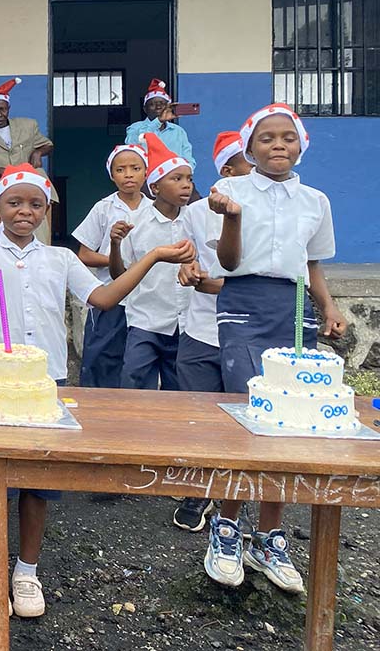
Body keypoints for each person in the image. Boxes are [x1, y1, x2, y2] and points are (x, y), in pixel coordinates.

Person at [0, 164, 194, 618]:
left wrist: (151, 257)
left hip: (45, 382)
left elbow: (104, 298)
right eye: (14, 203)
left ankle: (26, 569)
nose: (25, 211)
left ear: (48, 212)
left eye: (35, 204)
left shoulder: (60, 259)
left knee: (38, 486)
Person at [201, 103, 346, 595]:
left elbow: (313, 263)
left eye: (287, 137)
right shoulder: (229, 192)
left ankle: (269, 536)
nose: (278, 145)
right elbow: (226, 260)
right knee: (250, 413)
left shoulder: (316, 201)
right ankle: (226, 528)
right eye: (266, 138)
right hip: (244, 301)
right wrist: (233, 217)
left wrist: (328, 307)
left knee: (288, 414)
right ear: (249, 147)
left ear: (301, 144)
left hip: (296, 306)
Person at [170, 131, 252, 533]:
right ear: (228, 171)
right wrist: (188, 271)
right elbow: (187, 260)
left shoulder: (272, 211)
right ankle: (199, 489)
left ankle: (237, 492)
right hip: (202, 328)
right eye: (248, 163)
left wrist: (223, 285)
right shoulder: (196, 212)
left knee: (244, 415)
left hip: (252, 333)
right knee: (199, 411)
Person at [108, 134, 195, 391]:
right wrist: (114, 245)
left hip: (186, 322)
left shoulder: (197, 220)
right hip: (145, 320)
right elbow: (118, 275)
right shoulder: (136, 223)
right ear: (155, 188)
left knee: (179, 391)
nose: (186, 186)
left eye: (189, 179)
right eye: (176, 179)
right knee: (134, 382)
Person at [72, 145, 147, 388]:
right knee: (101, 358)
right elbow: (84, 254)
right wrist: (122, 263)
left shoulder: (155, 209)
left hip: (147, 299)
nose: (128, 175)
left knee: (137, 362)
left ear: (146, 173)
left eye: (135, 169)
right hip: (110, 295)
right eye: (121, 169)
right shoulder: (103, 208)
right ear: (111, 175)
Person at [0, 78, 53, 185]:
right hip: (0, 188)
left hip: (30, 182)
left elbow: (48, 146)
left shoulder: (28, 126)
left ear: (9, 108)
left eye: (3, 109)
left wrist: (38, 153)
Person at [125, 78, 195, 169]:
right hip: (146, 179)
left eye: (162, 103)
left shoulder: (178, 131)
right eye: (152, 104)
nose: (158, 106)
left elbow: (188, 158)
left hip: (173, 178)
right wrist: (158, 121)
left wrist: (186, 173)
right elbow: (132, 145)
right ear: (145, 109)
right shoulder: (135, 128)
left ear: (168, 107)